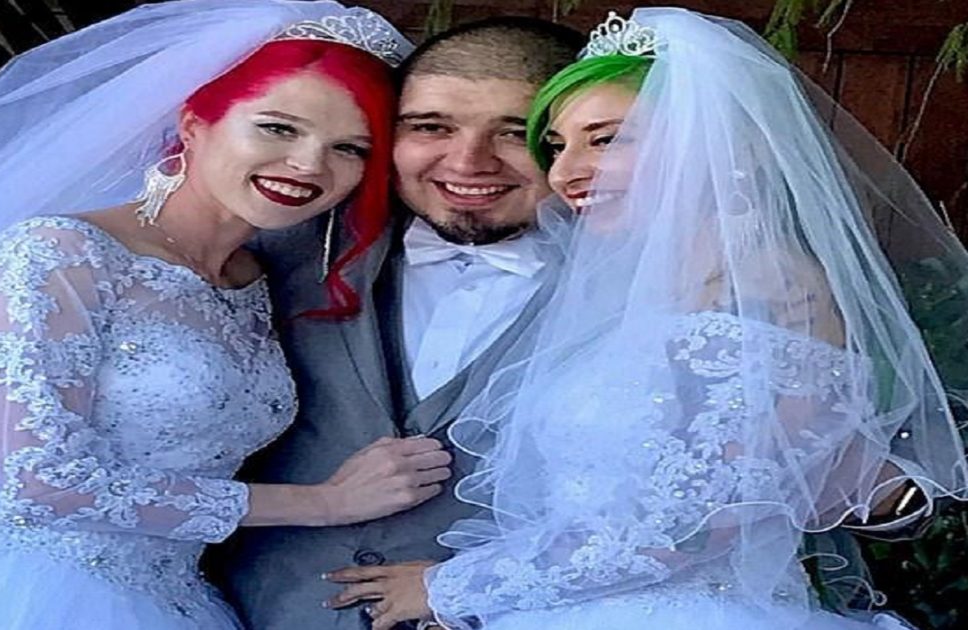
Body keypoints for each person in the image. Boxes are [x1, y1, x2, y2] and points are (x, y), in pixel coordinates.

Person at [324, 8, 968, 630]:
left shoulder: (765, 294)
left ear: (718, 143)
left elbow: (686, 527)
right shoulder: (640, 287)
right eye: (557, 145)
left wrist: (449, 589)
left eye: (608, 139)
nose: (568, 171)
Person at [0, 2, 447, 629]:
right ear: (195, 123)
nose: (309, 163)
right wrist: (324, 503)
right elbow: (41, 480)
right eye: (278, 128)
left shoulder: (253, 278)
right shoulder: (61, 253)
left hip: (170, 597)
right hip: (10, 590)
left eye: (349, 147)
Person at [215, 16, 586, 630]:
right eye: (431, 127)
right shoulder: (269, 248)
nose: (468, 162)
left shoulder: (645, 291)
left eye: (515, 132)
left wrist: (476, 589)